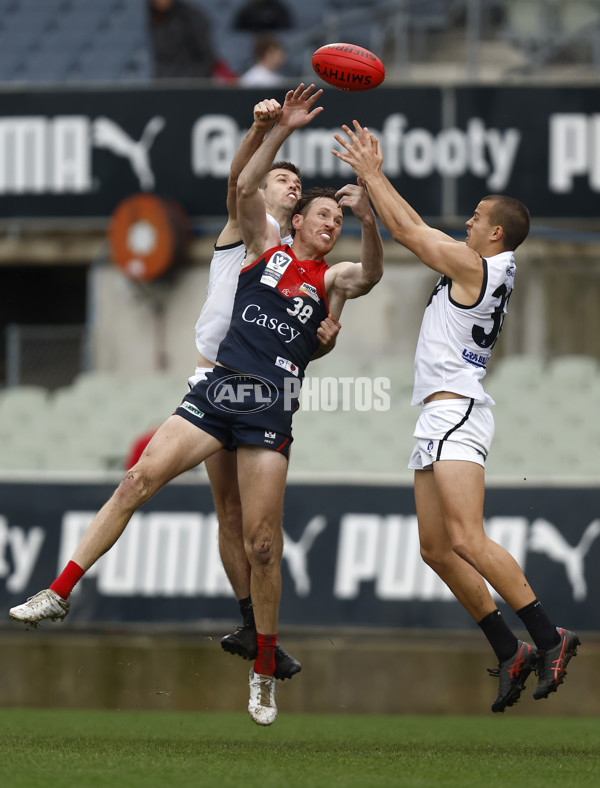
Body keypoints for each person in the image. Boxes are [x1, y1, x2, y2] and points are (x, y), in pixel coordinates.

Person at [9, 86, 384, 727]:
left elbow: (369, 275)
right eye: (321, 215)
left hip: (268, 404)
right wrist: (280, 129)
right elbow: (242, 188)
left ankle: (263, 669)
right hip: (218, 384)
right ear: (293, 222)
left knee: (262, 543)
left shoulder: (329, 280)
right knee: (138, 479)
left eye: (335, 219)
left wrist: (369, 216)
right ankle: (60, 589)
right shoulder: (261, 248)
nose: (329, 223)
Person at [332, 120, 580, 714]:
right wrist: (375, 194)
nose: (466, 221)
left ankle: (551, 637)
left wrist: (372, 173)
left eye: (475, 215)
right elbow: (415, 228)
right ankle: (510, 648)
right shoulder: (481, 266)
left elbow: (412, 232)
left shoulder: (478, 267)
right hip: (439, 414)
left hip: (457, 410)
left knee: (467, 537)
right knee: (436, 549)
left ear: (496, 232)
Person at [190, 95, 340, 681]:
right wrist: (264, 130)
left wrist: (324, 337)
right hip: (213, 372)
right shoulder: (249, 225)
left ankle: (261, 633)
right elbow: (239, 180)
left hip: (258, 381)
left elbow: (315, 333)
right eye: (283, 178)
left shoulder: (301, 253)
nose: (290, 186)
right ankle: (252, 624)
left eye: (296, 184)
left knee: (255, 527)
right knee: (227, 511)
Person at [148, 0, 216, 79]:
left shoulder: (190, 16)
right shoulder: (148, 15)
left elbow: (206, 56)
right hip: (162, 85)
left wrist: (196, 81)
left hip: (190, 84)